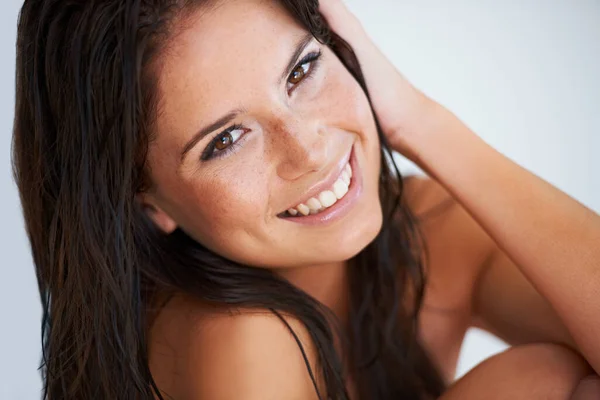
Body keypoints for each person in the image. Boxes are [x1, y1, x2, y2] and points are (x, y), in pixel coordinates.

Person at [12, 0, 600, 399]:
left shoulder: (431, 229)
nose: (309, 150)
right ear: (148, 204)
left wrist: (420, 121)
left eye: (301, 71)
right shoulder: (238, 335)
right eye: (226, 140)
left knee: (547, 381)